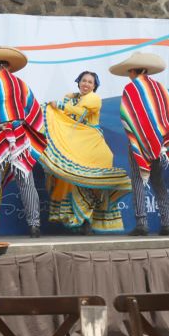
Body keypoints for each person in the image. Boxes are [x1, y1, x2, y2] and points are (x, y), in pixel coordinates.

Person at [109, 52, 169, 236]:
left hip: (140, 143)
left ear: (133, 71)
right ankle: (168, 224)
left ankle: (142, 224)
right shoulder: (160, 89)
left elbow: (128, 114)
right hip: (160, 144)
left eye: (129, 72)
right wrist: (166, 133)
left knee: (138, 181)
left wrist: (140, 135)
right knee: (158, 182)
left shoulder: (131, 88)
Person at [39, 71, 132, 234]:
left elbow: (78, 112)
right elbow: (66, 115)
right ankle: (80, 221)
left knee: (89, 184)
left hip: (93, 148)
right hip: (78, 148)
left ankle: (86, 220)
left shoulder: (93, 99)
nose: (86, 84)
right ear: (78, 82)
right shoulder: (73, 98)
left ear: (95, 86)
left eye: (90, 82)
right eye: (84, 81)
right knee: (73, 181)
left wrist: (59, 105)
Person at [0, 47, 47, 238]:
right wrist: (19, 124)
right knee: (26, 183)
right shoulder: (21, 85)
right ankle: (35, 225)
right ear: (8, 67)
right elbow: (34, 111)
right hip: (19, 139)